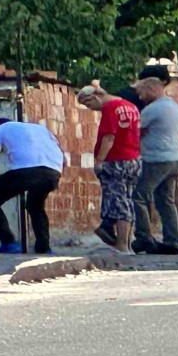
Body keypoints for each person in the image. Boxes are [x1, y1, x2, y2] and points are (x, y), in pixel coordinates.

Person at [77, 81, 141, 254]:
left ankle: (122, 244)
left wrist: (99, 161)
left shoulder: (110, 108)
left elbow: (109, 137)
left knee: (118, 201)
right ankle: (126, 243)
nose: (91, 109)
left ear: (93, 97)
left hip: (116, 159)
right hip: (133, 158)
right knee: (127, 199)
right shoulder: (130, 106)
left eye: (88, 104)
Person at [0, 118, 63, 254]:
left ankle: (9, 242)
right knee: (35, 206)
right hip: (53, 171)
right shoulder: (41, 129)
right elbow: (62, 156)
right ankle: (44, 249)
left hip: (26, 170)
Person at [131, 77, 178, 255]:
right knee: (166, 201)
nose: (140, 97)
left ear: (152, 90)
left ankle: (143, 238)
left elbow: (134, 130)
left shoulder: (153, 109)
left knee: (139, 196)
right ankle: (172, 241)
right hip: (175, 158)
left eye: (142, 93)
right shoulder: (175, 107)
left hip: (157, 159)